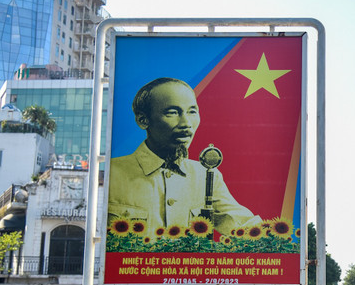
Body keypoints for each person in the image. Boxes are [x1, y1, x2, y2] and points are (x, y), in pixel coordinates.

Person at [108, 77, 261, 236]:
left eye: (192, 111)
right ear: (143, 120)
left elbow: (247, 228)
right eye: (172, 113)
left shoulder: (206, 175)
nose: (186, 123)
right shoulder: (112, 173)